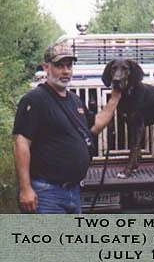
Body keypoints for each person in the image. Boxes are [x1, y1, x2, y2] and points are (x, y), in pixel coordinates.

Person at [13, 42, 121, 214]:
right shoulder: (35, 100)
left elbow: (94, 126)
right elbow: (21, 143)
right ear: (46, 67)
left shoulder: (75, 100)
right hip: (47, 194)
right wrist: (25, 189)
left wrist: (115, 98)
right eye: (59, 66)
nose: (65, 71)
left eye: (69, 66)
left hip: (73, 192)